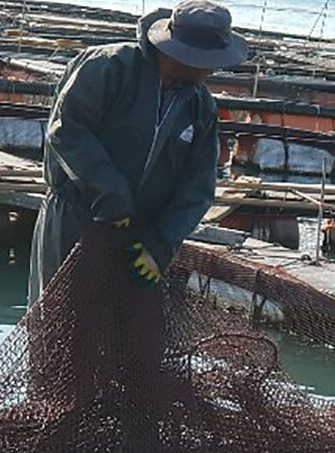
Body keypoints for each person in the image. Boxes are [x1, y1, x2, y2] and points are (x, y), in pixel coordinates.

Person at [29, 0, 247, 302]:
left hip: (143, 237)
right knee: (64, 322)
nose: (212, 69)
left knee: (125, 340)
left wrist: (161, 246)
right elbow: (67, 130)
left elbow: (198, 186)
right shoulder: (108, 66)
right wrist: (110, 192)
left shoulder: (200, 104)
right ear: (180, 52)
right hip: (76, 218)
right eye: (207, 60)